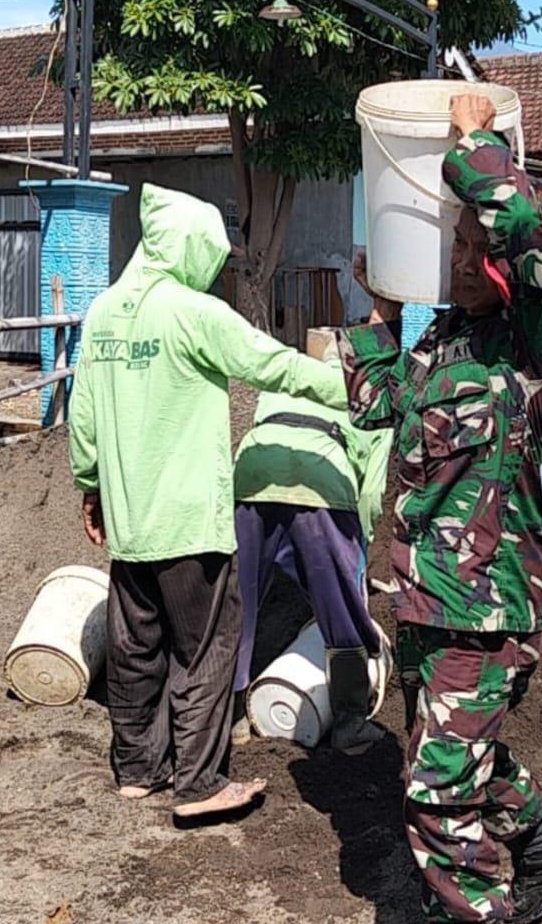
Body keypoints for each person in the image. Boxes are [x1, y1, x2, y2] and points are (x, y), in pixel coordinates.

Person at [340, 94, 542, 924]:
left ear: (499, 260)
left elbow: (521, 221)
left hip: (485, 606)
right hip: (423, 595)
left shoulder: (539, 343)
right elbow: (376, 406)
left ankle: (472, 909)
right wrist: (379, 312)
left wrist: (473, 137)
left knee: (437, 790)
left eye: (462, 242)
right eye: (446, 241)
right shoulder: (443, 338)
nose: (448, 256)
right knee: (450, 754)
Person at [68, 183, 350, 820]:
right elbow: (273, 365)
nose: (215, 269)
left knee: (136, 648)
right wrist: (347, 387)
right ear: (190, 247)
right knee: (207, 648)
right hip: (190, 521)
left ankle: (137, 771)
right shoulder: (194, 314)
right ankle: (199, 784)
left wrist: (91, 486)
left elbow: (83, 417)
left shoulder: (106, 312)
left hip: (132, 523)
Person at [230, 320, 393, 755]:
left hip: (251, 473)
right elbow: (373, 493)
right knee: (341, 611)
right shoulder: (371, 398)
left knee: (240, 604)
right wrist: (357, 550)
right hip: (322, 481)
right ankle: (350, 723)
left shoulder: (292, 377)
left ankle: (230, 719)